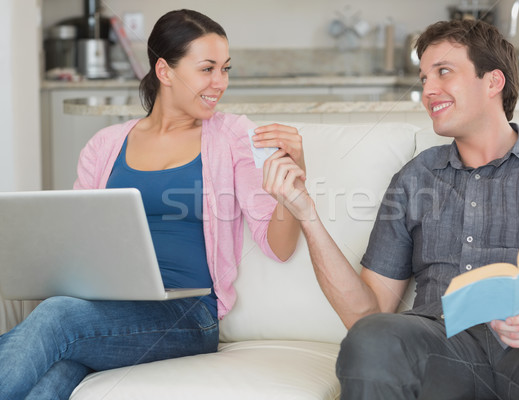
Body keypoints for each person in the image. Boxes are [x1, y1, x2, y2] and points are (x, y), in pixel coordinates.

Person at [273, 19, 519, 399]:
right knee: (372, 339)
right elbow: (367, 314)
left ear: (493, 82)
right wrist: (306, 213)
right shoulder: (417, 176)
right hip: (444, 347)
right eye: (424, 77)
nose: (428, 89)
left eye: (443, 72)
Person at [0, 9, 305, 400]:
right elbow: (76, 242)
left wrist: (293, 184)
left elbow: (279, 247)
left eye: (225, 69)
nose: (220, 83)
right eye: (207, 69)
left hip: (187, 316)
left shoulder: (233, 137)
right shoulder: (105, 145)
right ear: (165, 71)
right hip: (104, 309)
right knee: (57, 370)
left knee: (58, 316)